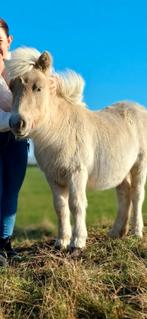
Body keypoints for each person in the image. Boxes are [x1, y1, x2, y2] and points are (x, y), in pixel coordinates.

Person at [0, 18, 57, 266]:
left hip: (16, 140)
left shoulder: (21, 65)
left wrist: (51, 82)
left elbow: (44, 84)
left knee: (11, 192)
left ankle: (4, 245)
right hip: (6, 130)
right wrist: (17, 119)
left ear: (9, 41)